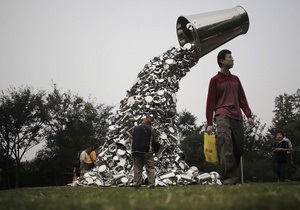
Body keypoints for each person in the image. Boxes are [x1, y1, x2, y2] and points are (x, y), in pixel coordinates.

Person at [206, 49, 255, 185]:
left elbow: (242, 99)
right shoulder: (214, 80)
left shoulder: (236, 79)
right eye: (230, 57)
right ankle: (229, 178)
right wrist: (210, 122)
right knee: (225, 145)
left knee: (239, 148)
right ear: (222, 61)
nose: (232, 59)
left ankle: (232, 174)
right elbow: (210, 102)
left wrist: (248, 115)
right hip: (222, 115)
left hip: (237, 116)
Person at [131, 117, 157, 189]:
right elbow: (154, 140)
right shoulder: (151, 129)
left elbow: (132, 138)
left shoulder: (135, 128)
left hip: (135, 150)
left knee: (137, 168)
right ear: (149, 123)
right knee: (150, 167)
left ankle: (136, 184)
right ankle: (151, 184)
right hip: (147, 150)